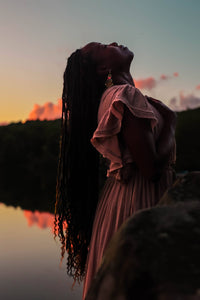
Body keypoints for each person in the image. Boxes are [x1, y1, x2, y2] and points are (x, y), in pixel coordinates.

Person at [54, 42, 176, 300]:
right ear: (103, 68)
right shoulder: (122, 96)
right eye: (102, 46)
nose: (113, 42)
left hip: (126, 200)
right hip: (136, 202)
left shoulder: (121, 96)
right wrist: (171, 123)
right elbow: (151, 168)